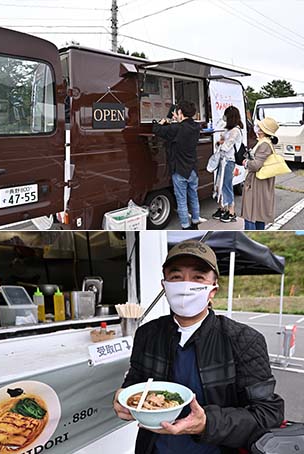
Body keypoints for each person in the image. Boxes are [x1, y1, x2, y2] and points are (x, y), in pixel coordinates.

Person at [113, 240, 284, 454]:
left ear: (212, 290)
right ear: (164, 285)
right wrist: (125, 397)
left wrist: (208, 423)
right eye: (176, 277)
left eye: (198, 277)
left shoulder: (244, 340)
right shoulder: (147, 334)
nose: (185, 286)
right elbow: (136, 381)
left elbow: (268, 413)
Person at [152, 101, 201, 230]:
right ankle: (195, 222)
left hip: (180, 169)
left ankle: (185, 226)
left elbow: (157, 130)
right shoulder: (196, 127)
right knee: (194, 196)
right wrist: (175, 120)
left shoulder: (176, 128)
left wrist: (162, 122)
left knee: (181, 200)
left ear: (180, 112)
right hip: (193, 169)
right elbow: (181, 128)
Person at [241, 117, 279, 230]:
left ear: (263, 130)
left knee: (250, 214)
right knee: (258, 214)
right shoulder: (264, 143)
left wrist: (246, 162)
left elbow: (256, 165)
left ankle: (250, 238)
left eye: (260, 127)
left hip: (256, 183)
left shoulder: (264, 145)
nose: (257, 128)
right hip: (259, 182)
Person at [211, 106, 242, 223]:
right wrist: (220, 142)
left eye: (226, 115)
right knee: (219, 185)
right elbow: (220, 143)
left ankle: (231, 212)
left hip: (229, 162)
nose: (224, 118)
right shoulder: (229, 130)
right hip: (222, 160)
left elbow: (225, 146)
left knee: (227, 186)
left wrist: (221, 143)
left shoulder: (235, 131)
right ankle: (222, 209)